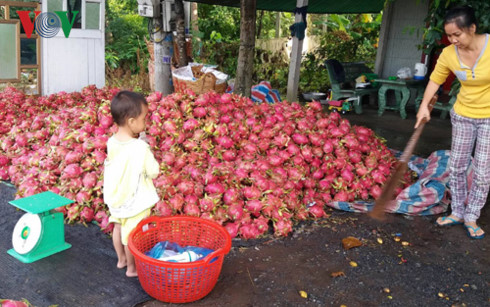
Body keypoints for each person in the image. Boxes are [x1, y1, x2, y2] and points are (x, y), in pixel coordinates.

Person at [415, 6, 489, 239]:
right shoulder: (448, 54)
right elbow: (435, 81)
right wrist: (423, 107)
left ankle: (471, 216)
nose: (453, 40)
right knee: (456, 166)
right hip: (463, 114)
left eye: (458, 35)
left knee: (483, 171)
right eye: (449, 36)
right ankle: (457, 211)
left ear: (472, 28)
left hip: (488, 117)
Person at [103, 91, 160, 276]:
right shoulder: (140, 148)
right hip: (134, 201)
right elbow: (154, 171)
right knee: (131, 235)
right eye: (144, 118)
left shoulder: (111, 142)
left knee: (118, 227)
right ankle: (132, 269)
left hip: (116, 198)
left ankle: (121, 260)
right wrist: (147, 149)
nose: (146, 123)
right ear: (131, 122)